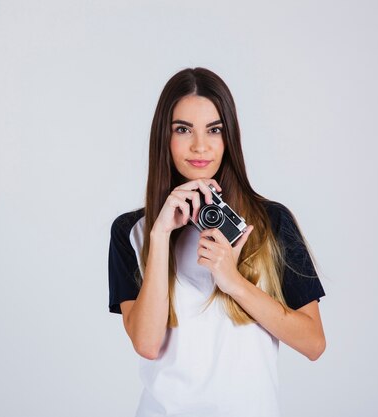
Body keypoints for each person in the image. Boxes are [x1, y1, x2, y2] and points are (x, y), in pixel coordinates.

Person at [107, 67, 326, 417]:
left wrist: (234, 282)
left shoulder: (271, 221)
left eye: (214, 130)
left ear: (229, 138)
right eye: (183, 129)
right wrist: (161, 235)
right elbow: (147, 345)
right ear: (164, 137)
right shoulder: (132, 231)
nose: (200, 146)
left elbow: (313, 343)